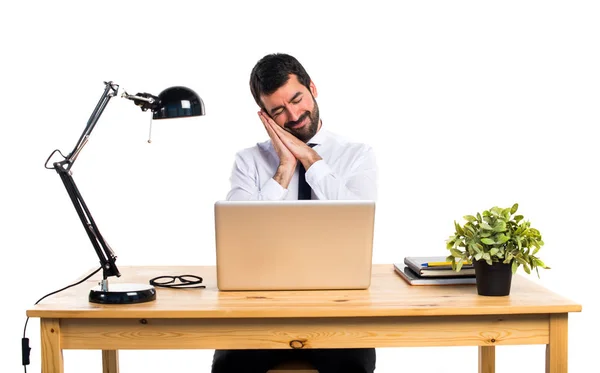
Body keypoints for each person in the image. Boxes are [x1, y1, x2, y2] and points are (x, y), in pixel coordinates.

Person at [212, 53, 377, 373]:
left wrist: (310, 160)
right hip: (258, 312)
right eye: (278, 110)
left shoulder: (357, 155)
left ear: (312, 88)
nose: (293, 115)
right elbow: (239, 234)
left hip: (339, 310)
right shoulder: (249, 160)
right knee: (229, 369)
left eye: (297, 99)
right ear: (266, 115)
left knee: (351, 369)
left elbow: (356, 216)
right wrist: (285, 169)